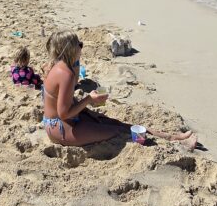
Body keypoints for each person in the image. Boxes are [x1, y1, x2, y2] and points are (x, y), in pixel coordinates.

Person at [41, 31, 196, 148]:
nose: (81, 47)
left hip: (67, 120)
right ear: (70, 50)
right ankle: (179, 145)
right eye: (78, 45)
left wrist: (76, 64)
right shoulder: (65, 74)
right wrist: (89, 99)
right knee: (120, 133)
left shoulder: (62, 66)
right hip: (60, 128)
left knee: (121, 125)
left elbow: (64, 100)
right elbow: (63, 113)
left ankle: (172, 137)